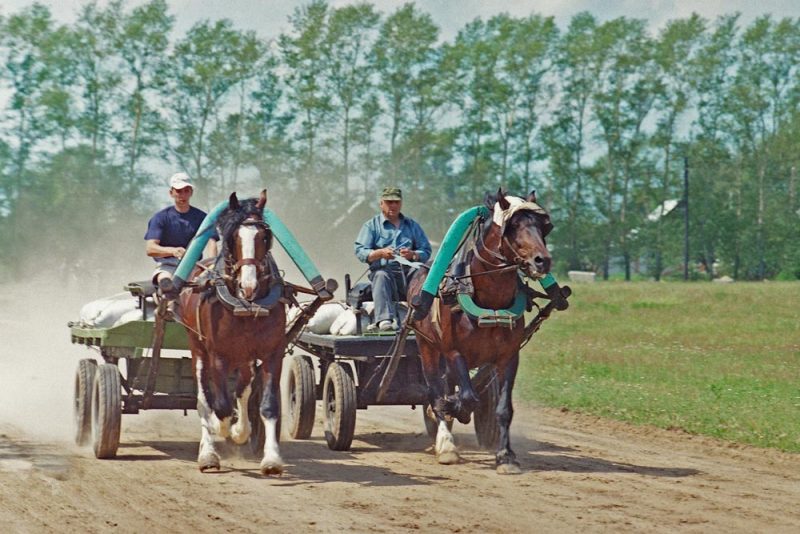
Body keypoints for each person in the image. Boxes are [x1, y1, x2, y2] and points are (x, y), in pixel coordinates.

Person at [354, 187, 432, 331]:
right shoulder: (371, 226)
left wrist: (413, 254)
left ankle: (427, 318)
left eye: (396, 202)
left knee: (426, 275)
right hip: (385, 273)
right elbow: (360, 251)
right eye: (389, 202)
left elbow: (426, 250)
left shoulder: (412, 226)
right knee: (380, 275)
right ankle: (384, 320)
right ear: (381, 203)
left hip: (409, 274)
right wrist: (380, 253)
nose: (393, 206)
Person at [145, 172, 217, 291]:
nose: (182, 195)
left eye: (186, 190)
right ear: (171, 193)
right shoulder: (160, 217)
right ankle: (165, 306)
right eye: (179, 191)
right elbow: (150, 248)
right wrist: (173, 251)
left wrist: (212, 265)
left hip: (195, 267)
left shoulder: (203, 218)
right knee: (166, 284)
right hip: (168, 267)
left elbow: (212, 242)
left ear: (191, 192)